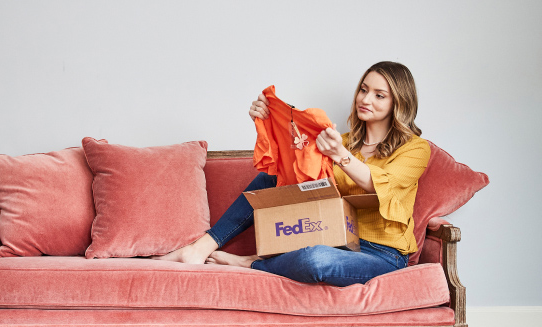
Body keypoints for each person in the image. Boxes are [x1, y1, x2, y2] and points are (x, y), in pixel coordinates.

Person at [155, 61, 431, 287]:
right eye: (363, 90)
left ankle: (250, 262)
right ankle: (200, 248)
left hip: (382, 254)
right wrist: (269, 123)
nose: (365, 99)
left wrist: (339, 156)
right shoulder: (341, 141)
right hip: (338, 239)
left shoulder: (416, 149)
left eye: (379, 95)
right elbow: (295, 173)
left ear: (399, 103)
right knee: (271, 180)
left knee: (316, 260)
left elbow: (382, 184)